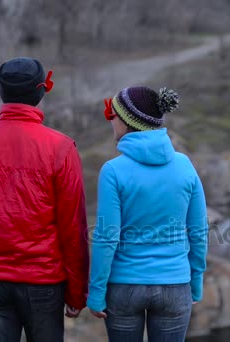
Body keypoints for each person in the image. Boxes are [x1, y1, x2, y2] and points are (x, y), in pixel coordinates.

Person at [0, 57, 89, 342]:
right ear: (40, 91)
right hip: (44, 281)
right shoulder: (61, 147)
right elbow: (73, 228)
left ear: (2, 91)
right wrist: (77, 292)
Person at [87, 86, 209, 342]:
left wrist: (96, 291)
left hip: (124, 286)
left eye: (113, 115)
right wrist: (195, 282)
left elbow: (107, 237)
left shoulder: (113, 171)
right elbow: (199, 231)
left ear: (127, 122)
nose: (110, 120)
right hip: (175, 285)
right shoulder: (185, 166)